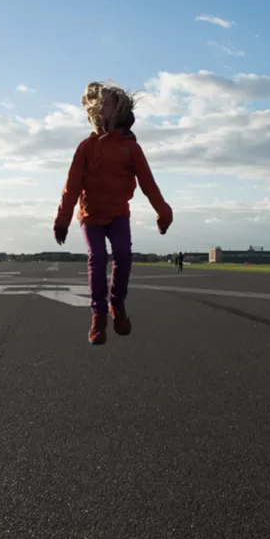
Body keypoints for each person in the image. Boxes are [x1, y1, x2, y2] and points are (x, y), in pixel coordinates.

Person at [53, 81, 173, 345]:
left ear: (117, 110)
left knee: (123, 256)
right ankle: (98, 316)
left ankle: (117, 307)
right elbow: (71, 185)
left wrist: (163, 213)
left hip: (118, 214)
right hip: (91, 215)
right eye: (101, 103)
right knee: (97, 257)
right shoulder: (86, 147)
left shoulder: (130, 147)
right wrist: (62, 220)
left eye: (108, 103)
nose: (102, 107)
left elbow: (148, 184)